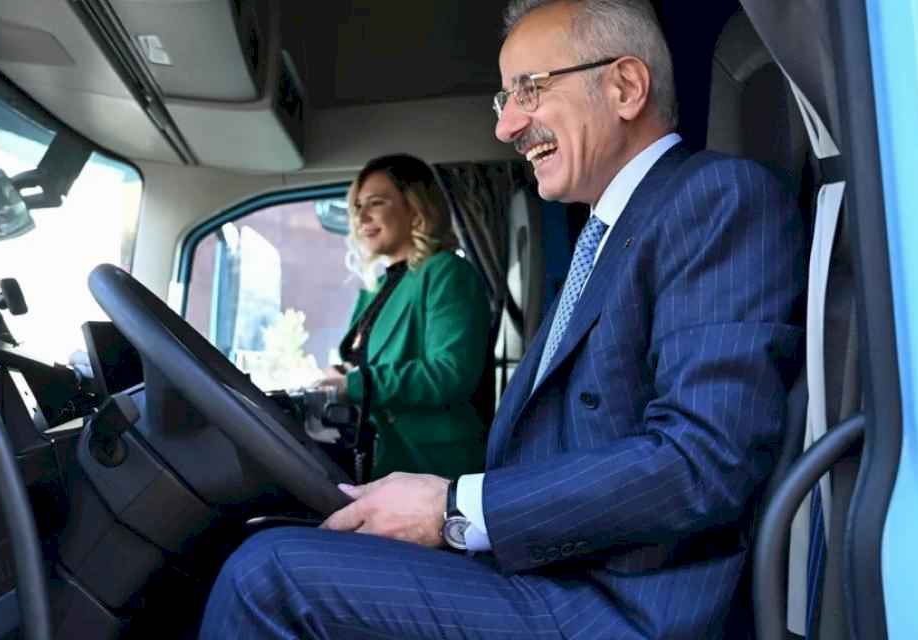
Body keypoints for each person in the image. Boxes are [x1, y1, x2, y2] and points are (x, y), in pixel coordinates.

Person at [199, 0, 808, 638]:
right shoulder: (606, 235)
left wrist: (453, 509)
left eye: (529, 90)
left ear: (626, 86)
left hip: (618, 604)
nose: (506, 126)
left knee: (267, 576)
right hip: (555, 568)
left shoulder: (714, 199)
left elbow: (702, 459)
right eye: (504, 99)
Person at [315, 154, 490, 481]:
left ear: (416, 207)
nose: (361, 217)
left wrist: (357, 384)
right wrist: (344, 376)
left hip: (432, 465)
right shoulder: (381, 286)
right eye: (357, 206)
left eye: (376, 203)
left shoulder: (447, 272)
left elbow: (450, 373)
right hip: (383, 456)